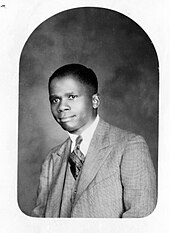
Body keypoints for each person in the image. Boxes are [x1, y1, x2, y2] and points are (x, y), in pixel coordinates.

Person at [32, 63, 157, 218]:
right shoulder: (52, 159)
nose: (62, 107)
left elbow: (140, 217)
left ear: (95, 101)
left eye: (72, 97)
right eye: (55, 99)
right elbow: (39, 221)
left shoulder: (129, 146)